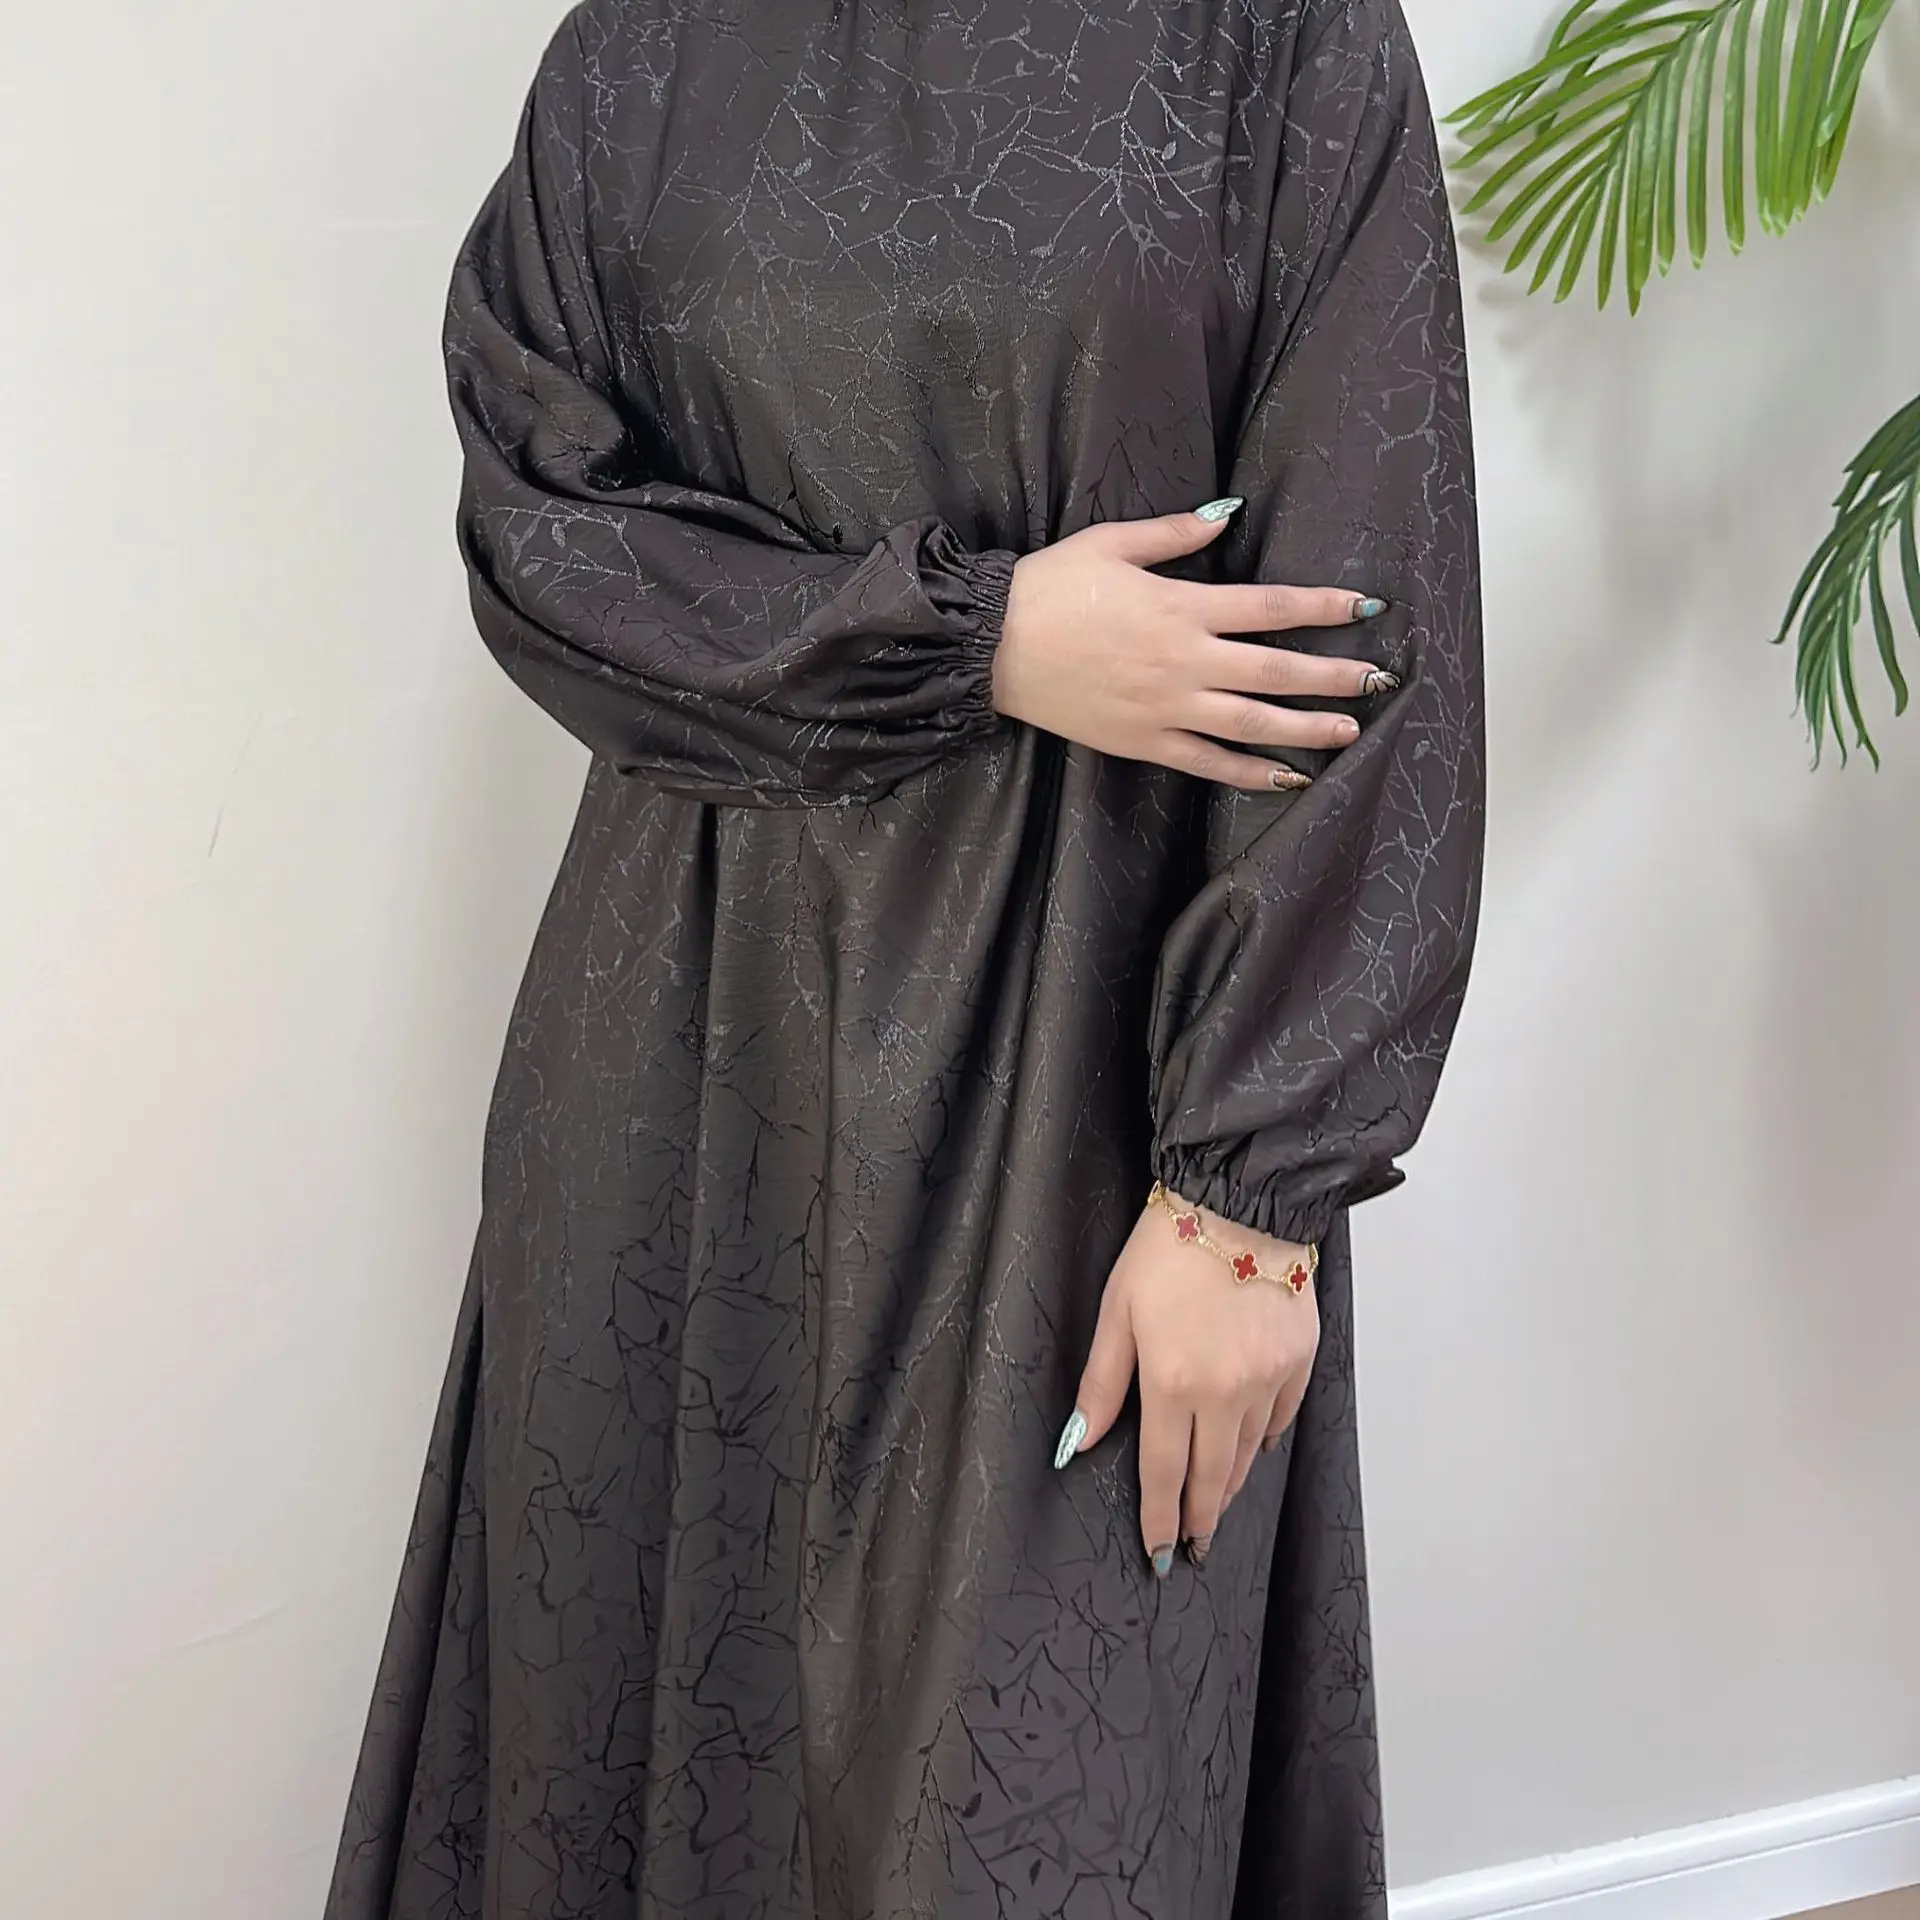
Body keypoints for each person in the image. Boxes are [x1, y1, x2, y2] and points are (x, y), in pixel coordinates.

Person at [324, 0, 1484, 1913]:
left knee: (1038, 1804)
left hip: (1087, 1083)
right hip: (680, 1055)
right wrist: (978, 635)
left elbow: (1362, 630)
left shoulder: (1275, 38)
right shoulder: (636, 51)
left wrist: (1252, 1196)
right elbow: (539, 534)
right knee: (649, 1753)